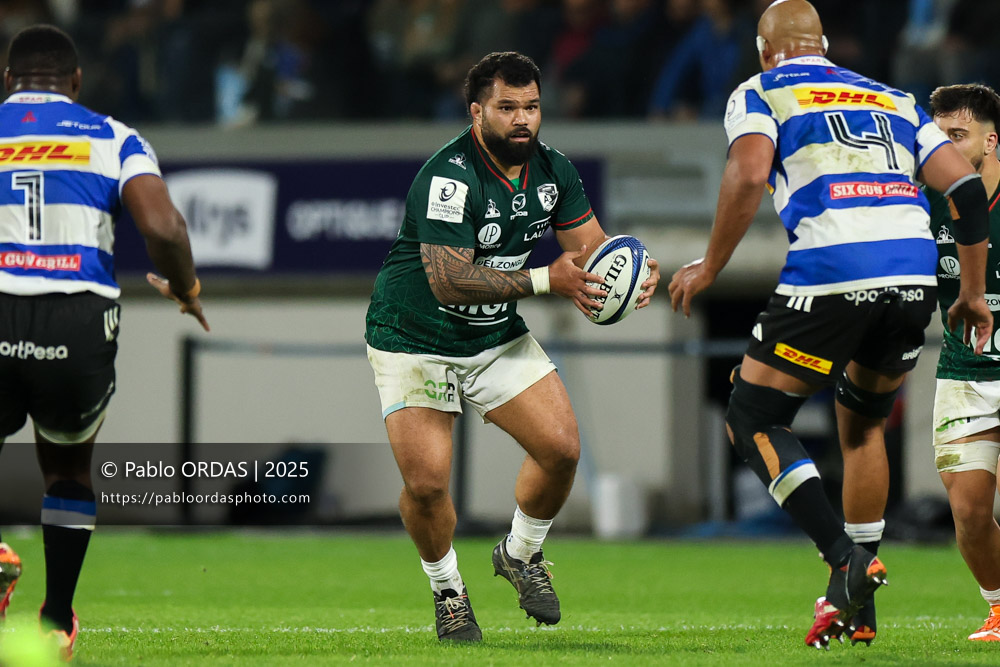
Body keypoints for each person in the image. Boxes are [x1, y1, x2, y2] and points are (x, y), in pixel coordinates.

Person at [667, 0, 992, 649]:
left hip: (833, 269)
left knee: (752, 415)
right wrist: (973, 293)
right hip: (912, 277)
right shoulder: (894, 98)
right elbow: (964, 189)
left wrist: (710, 266)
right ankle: (859, 609)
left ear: (766, 51)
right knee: (862, 423)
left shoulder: (761, 91)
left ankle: (846, 560)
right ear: (822, 45)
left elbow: (748, 172)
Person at [364, 50, 660, 642]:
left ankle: (520, 554)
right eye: (507, 107)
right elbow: (449, 279)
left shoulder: (554, 170)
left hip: (494, 334)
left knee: (561, 450)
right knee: (427, 484)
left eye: (531, 106)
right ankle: (449, 592)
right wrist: (550, 279)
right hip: (414, 337)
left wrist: (630, 275)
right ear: (477, 113)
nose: (522, 119)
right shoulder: (449, 176)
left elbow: (590, 251)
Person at [0, 24, 208, 662]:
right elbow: (164, 228)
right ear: (75, 81)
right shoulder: (115, 137)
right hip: (77, 319)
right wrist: (186, 288)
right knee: (67, 470)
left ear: (8, 81)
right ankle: (55, 621)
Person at [922, 83, 1000, 641]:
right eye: (938, 136)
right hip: (965, 373)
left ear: (990, 141)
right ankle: (999, 607)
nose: (944, 147)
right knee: (970, 514)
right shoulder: (923, 204)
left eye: (958, 135)